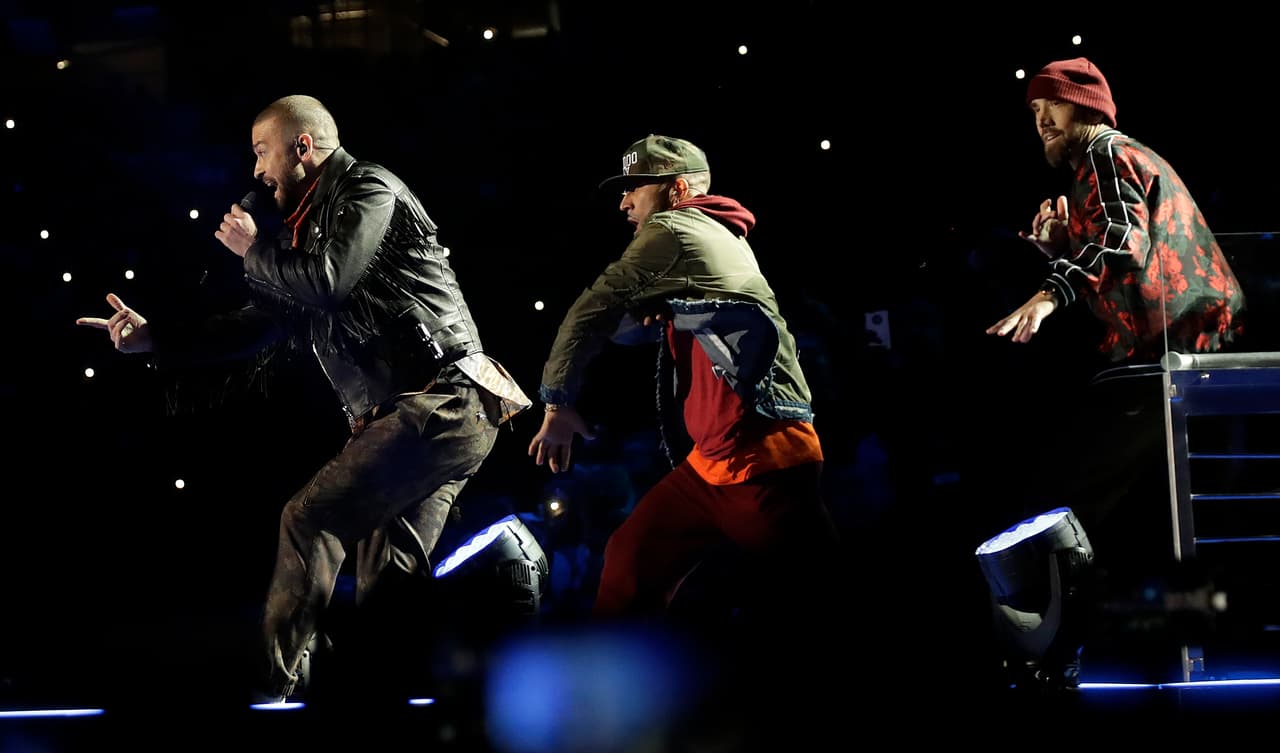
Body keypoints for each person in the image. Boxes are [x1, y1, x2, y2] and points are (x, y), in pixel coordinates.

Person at [75, 94, 530, 703]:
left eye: (262, 152)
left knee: (310, 518)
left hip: (440, 403)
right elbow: (256, 323)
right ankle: (388, 694)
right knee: (386, 571)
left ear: (302, 148)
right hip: (437, 415)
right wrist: (156, 336)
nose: (256, 172)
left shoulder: (368, 189)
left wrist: (253, 251)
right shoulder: (304, 236)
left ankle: (279, 687)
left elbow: (326, 281)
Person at [979, 57, 1248, 689]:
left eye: (1053, 105)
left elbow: (1125, 242)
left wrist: (1050, 290)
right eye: (1033, 110)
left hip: (1172, 351)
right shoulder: (1103, 165)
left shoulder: (1105, 151)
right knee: (1128, 505)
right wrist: (1061, 247)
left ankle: (1057, 655)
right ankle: (1131, 646)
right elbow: (1123, 242)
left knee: (1058, 496)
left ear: (1088, 106)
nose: (1040, 119)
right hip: (1176, 351)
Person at [526, 134, 842, 625]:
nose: (624, 201)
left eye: (636, 187)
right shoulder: (719, 233)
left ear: (675, 191)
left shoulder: (674, 228)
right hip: (712, 464)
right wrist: (669, 311)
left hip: (764, 458)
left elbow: (592, 311)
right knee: (630, 556)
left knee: (819, 605)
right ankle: (620, 683)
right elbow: (644, 327)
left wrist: (556, 402)